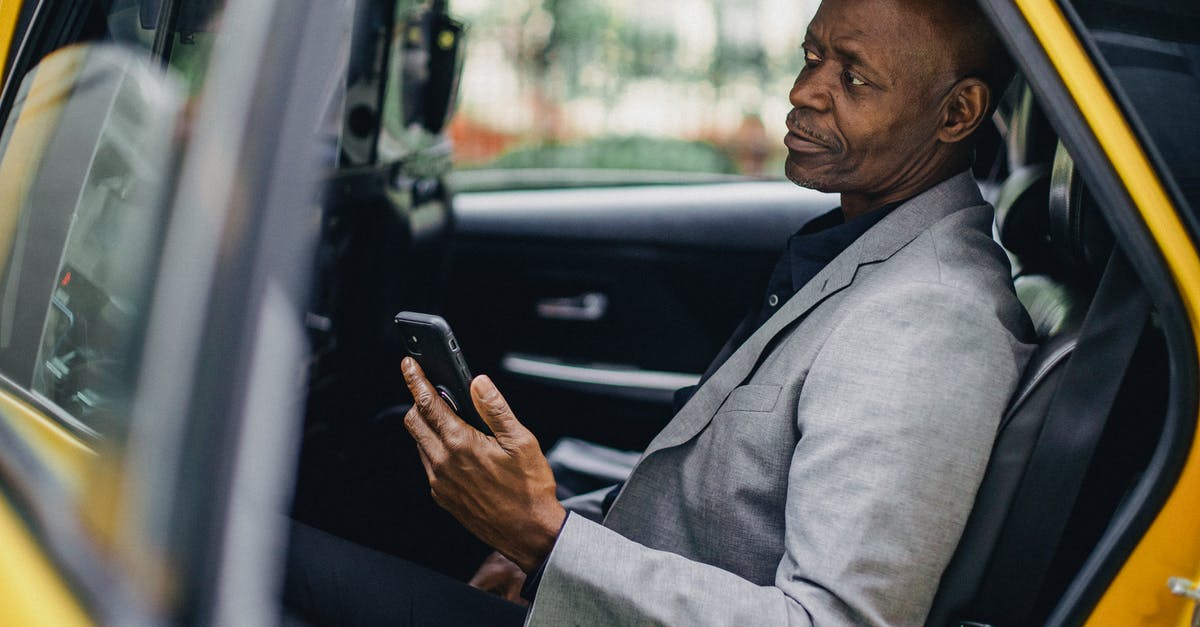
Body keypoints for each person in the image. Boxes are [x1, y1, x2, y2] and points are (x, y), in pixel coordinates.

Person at [288, 0, 1035, 624]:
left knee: (271, 558)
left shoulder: (930, 317)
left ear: (958, 111)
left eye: (853, 75)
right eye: (812, 55)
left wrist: (545, 537)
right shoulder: (859, 242)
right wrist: (545, 549)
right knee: (367, 478)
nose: (805, 90)